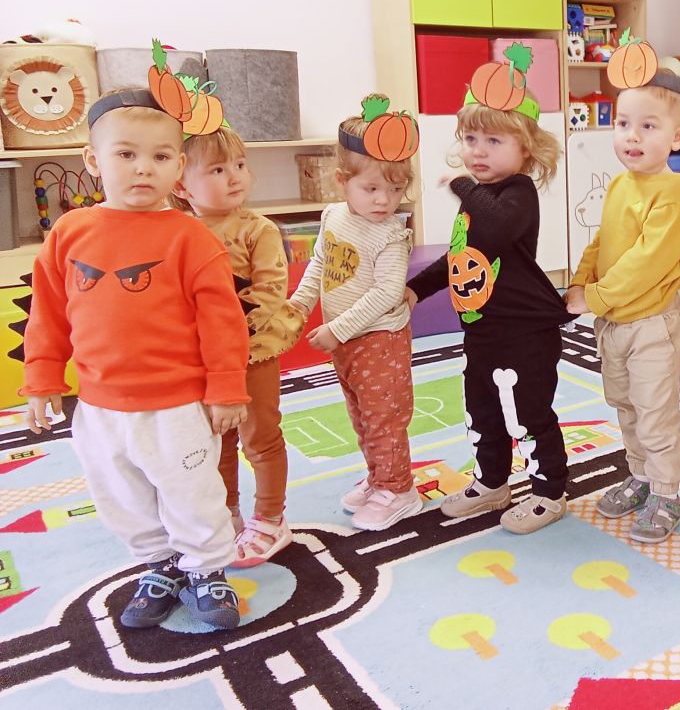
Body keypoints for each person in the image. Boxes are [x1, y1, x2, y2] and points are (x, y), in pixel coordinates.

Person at [21, 86, 248, 630]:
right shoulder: (69, 233)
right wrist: (43, 377)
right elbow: (48, 312)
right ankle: (160, 565)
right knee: (121, 495)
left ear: (179, 166)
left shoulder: (191, 238)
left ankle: (205, 569)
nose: (143, 168)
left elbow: (222, 322)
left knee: (191, 494)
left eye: (161, 156)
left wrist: (225, 388)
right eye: (126, 154)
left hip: (176, 406)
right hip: (99, 408)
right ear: (92, 160)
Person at [406, 60, 574, 535]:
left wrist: (461, 186)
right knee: (481, 412)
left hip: (525, 333)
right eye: (470, 138)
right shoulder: (480, 197)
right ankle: (492, 483)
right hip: (483, 332)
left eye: (494, 141)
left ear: (526, 147)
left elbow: (497, 229)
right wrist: (417, 289)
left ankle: (549, 492)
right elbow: (462, 257)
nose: (477, 151)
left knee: (529, 416)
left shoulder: (518, 193)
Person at [566, 52, 680, 544]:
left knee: (655, 414)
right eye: (623, 123)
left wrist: (596, 296)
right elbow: (603, 242)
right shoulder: (620, 185)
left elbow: (645, 263)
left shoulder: (672, 194)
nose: (632, 136)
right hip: (614, 322)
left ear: (677, 137)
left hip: (651, 325)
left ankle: (667, 492)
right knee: (626, 406)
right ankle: (641, 476)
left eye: (648, 126)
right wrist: (580, 281)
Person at [172, 125, 305, 566]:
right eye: (217, 169)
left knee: (259, 437)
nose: (235, 177)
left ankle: (270, 519)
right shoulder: (177, 230)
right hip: (200, 360)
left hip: (252, 352)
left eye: (240, 165)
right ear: (181, 184)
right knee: (216, 440)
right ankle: (224, 511)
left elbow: (269, 291)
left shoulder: (257, 229)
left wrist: (224, 338)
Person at [290, 96, 419, 531]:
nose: (385, 200)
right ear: (342, 181)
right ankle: (379, 477)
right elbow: (320, 264)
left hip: (379, 341)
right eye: (372, 189)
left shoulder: (391, 236)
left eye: (396, 190)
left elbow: (387, 293)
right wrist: (300, 303)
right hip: (345, 341)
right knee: (361, 415)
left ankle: (399, 490)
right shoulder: (333, 217)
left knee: (384, 417)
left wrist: (337, 329)